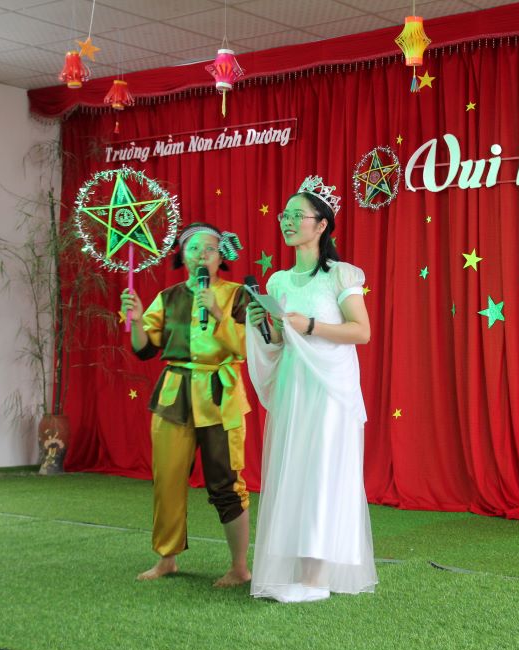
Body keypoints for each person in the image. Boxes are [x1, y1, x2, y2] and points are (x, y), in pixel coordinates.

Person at [245, 175, 377, 603]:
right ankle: (301, 573)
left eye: (296, 216)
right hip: (295, 387)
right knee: (295, 473)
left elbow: (362, 332)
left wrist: (310, 325)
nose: (286, 222)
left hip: (330, 390)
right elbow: (284, 343)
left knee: (322, 472)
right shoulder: (279, 281)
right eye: (284, 215)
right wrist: (265, 327)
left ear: (321, 225)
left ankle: (317, 581)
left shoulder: (340, 274)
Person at [120, 222, 253, 588]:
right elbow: (145, 348)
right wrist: (135, 320)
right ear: (182, 255)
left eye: (210, 249)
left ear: (220, 257)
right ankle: (166, 559)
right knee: (168, 477)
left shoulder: (238, 295)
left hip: (219, 394)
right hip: (174, 392)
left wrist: (220, 313)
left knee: (227, 482)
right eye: (194, 249)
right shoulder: (169, 296)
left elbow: (247, 348)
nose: (202, 255)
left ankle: (239, 567)